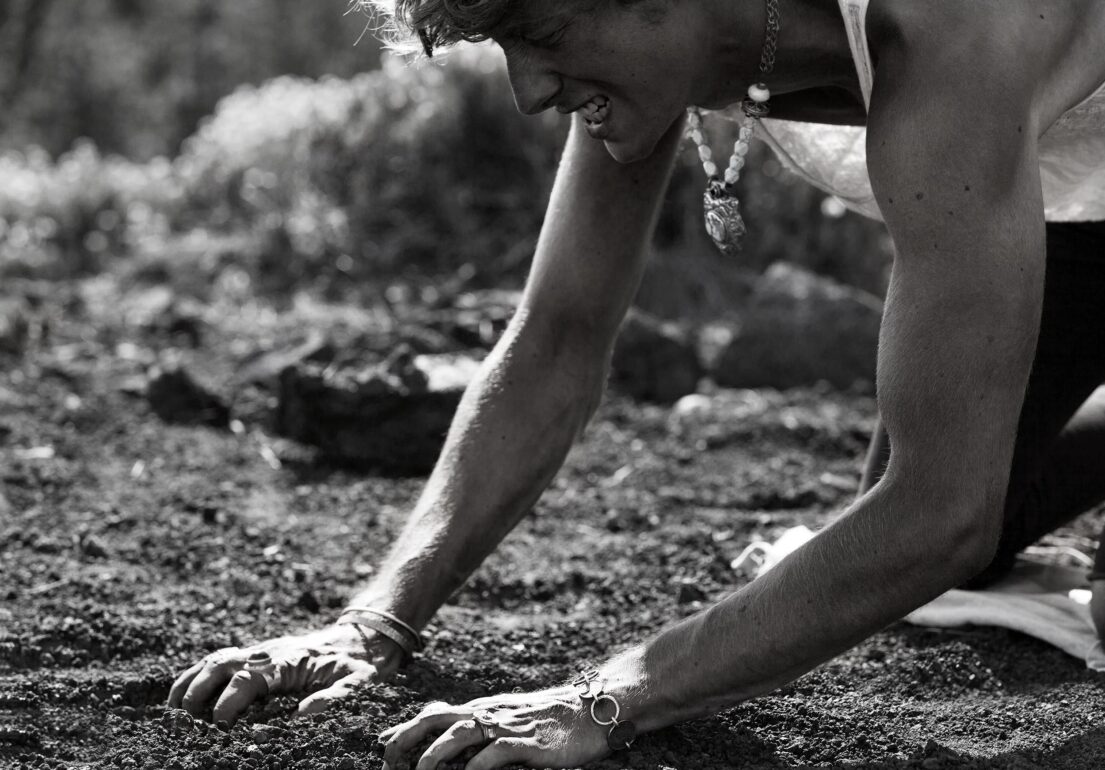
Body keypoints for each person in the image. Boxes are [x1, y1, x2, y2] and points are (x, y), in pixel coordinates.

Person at [168, 0, 1105, 767]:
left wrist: (609, 696)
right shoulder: (679, 47)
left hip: (1018, 143)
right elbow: (560, 334)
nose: (528, 91)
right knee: (897, 514)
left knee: (937, 527)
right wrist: (374, 620)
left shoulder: (947, 35)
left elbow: (941, 515)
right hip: (1065, 190)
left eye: (537, 37)